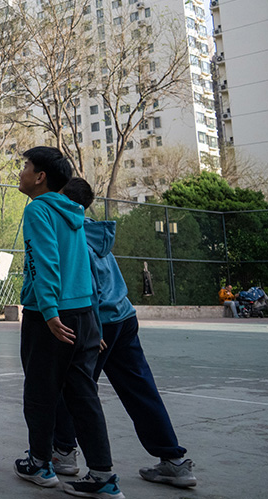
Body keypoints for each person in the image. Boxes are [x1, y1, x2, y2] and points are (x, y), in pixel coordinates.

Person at [51, 178, 197, 489]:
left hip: (101, 321)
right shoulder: (95, 231)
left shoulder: (74, 235)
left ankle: (63, 452)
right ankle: (173, 461)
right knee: (140, 389)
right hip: (125, 317)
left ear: (64, 199)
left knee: (73, 386)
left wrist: (94, 327)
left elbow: (89, 284)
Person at [14, 146, 124, 499]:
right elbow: (84, 268)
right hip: (84, 315)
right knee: (83, 395)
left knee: (40, 393)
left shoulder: (38, 210)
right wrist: (91, 318)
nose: (22, 173)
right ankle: (103, 476)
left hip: (51, 318)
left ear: (41, 176)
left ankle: (41, 465)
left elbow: (42, 262)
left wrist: (48, 312)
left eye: (26, 167)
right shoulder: (74, 213)